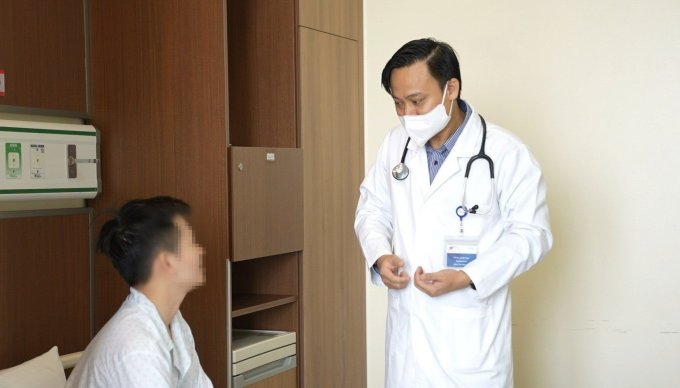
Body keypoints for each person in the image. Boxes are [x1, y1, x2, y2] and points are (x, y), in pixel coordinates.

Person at [355, 38, 553, 387]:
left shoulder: (506, 152)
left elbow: (532, 234)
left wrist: (468, 276)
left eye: (417, 101)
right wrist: (379, 255)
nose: (408, 115)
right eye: (398, 104)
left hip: (470, 348)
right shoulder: (394, 146)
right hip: (407, 346)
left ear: (451, 88)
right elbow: (372, 207)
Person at [67, 196, 213, 388]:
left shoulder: (174, 323)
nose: (200, 251)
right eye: (192, 242)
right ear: (168, 261)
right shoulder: (138, 349)